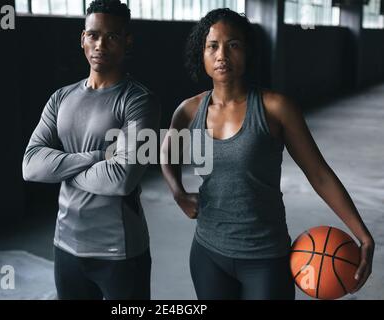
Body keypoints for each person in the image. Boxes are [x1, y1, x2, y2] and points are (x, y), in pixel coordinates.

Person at [160, 8, 374, 300]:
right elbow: (165, 151)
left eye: (233, 45)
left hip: (264, 258)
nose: (222, 54)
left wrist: (362, 235)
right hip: (208, 252)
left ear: (248, 51)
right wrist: (178, 193)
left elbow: (319, 174)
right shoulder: (188, 111)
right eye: (213, 46)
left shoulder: (276, 108)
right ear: (202, 53)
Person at [22, 0, 160, 300]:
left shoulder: (139, 101)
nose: (101, 44)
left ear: (127, 41)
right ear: (82, 38)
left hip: (120, 251)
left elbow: (122, 178)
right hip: (66, 246)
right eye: (94, 35)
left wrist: (61, 169)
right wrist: (98, 157)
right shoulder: (61, 98)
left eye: (111, 36)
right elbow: (31, 165)